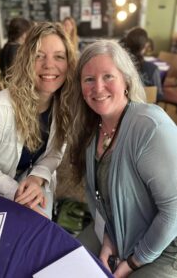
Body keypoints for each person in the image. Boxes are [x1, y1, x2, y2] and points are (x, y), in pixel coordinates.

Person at [68, 39, 177, 277]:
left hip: (166, 247)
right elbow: (99, 199)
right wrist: (109, 239)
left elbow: (174, 210)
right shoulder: (92, 128)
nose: (98, 87)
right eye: (89, 79)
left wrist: (132, 263)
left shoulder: (150, 127)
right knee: (67, 265)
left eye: (108, 76)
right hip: (120, 230)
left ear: (126, 80)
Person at [0, 22, 77, 219]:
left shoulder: (65, 105)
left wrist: (36, 180)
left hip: (28, 180)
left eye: (59, 57)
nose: (49, 65)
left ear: (69, 63)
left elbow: (55, 154)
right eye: (39, 56)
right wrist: (16, 191)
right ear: (26, 60)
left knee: (38, 228)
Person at [121, 27, 163, 101]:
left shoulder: (119, 66)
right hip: (147, 109)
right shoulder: (153, 69)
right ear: (145, 46)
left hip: (123, 109)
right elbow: (158, 96)